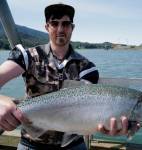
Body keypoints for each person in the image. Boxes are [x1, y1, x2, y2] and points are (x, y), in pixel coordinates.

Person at [0, 3, 129, 150]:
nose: (60, 29)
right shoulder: (27, 56)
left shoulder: (86, 67)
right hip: (31, 143)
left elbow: (89, 107)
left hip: (73, 144)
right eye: (54, 23)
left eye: (66, 24)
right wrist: (2, 101)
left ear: (72, 28)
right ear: (47, 27)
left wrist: (107, 124)